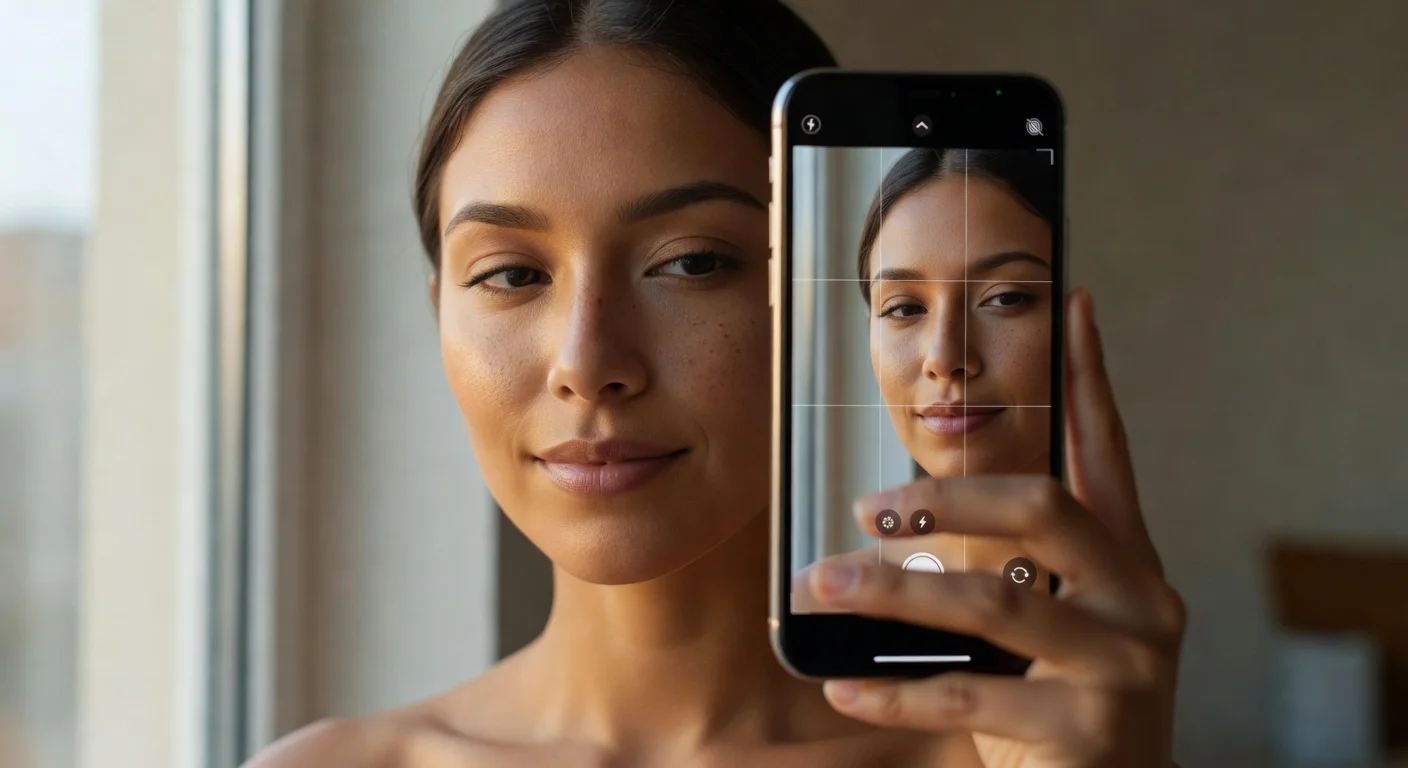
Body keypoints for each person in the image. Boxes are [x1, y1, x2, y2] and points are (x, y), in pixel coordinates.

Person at [246, 1, 1185, 766]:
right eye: (511, 275)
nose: (587, 363)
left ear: (824, 304)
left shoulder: (1030, 756)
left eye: (692, 263)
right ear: (438, 310)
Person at [860, 147, 1058, 583]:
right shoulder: (829, 606)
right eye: (904, 308)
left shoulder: (1123, 599)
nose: (945, 359)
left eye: (1005, 298)